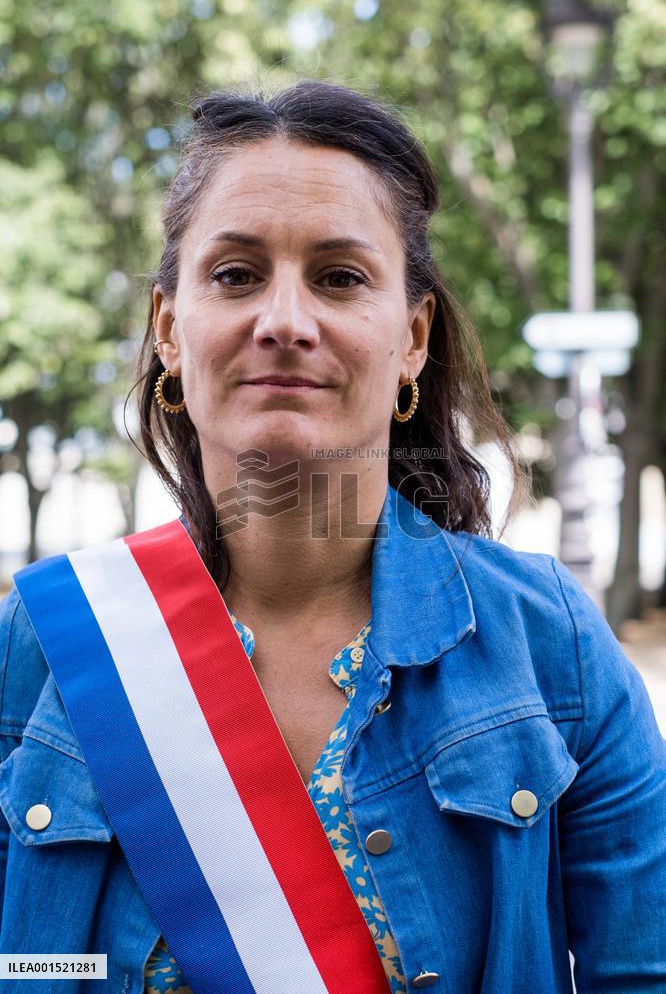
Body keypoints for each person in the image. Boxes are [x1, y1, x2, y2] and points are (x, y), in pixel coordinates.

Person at [0, 78, 664, 994]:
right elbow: (21, 962)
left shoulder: (554, 655)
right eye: (235, 275)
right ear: (169, 331)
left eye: (340, 277)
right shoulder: (44, 648)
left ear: (412, 338)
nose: (283, 321)